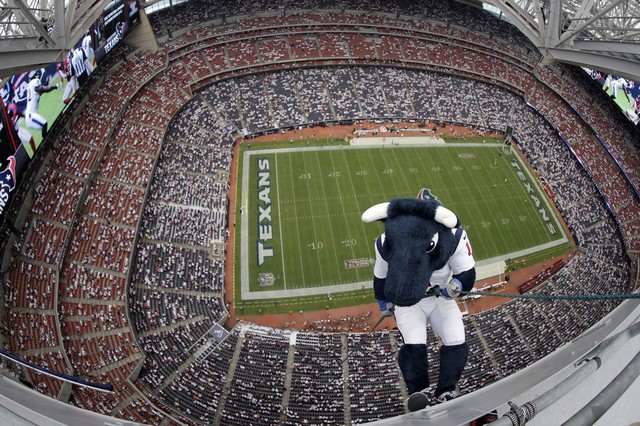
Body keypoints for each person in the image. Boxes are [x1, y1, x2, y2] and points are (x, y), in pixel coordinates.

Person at [369, 188, 476, 411]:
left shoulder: (453, 238)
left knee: (456, 338)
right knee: (414, 341)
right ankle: (420, 391)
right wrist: (383, 299)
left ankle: (446, 390)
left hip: (439, 297)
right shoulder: (389, 240)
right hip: (408, 300)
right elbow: (381, 276)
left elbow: (466, 272)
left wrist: (458, 285)